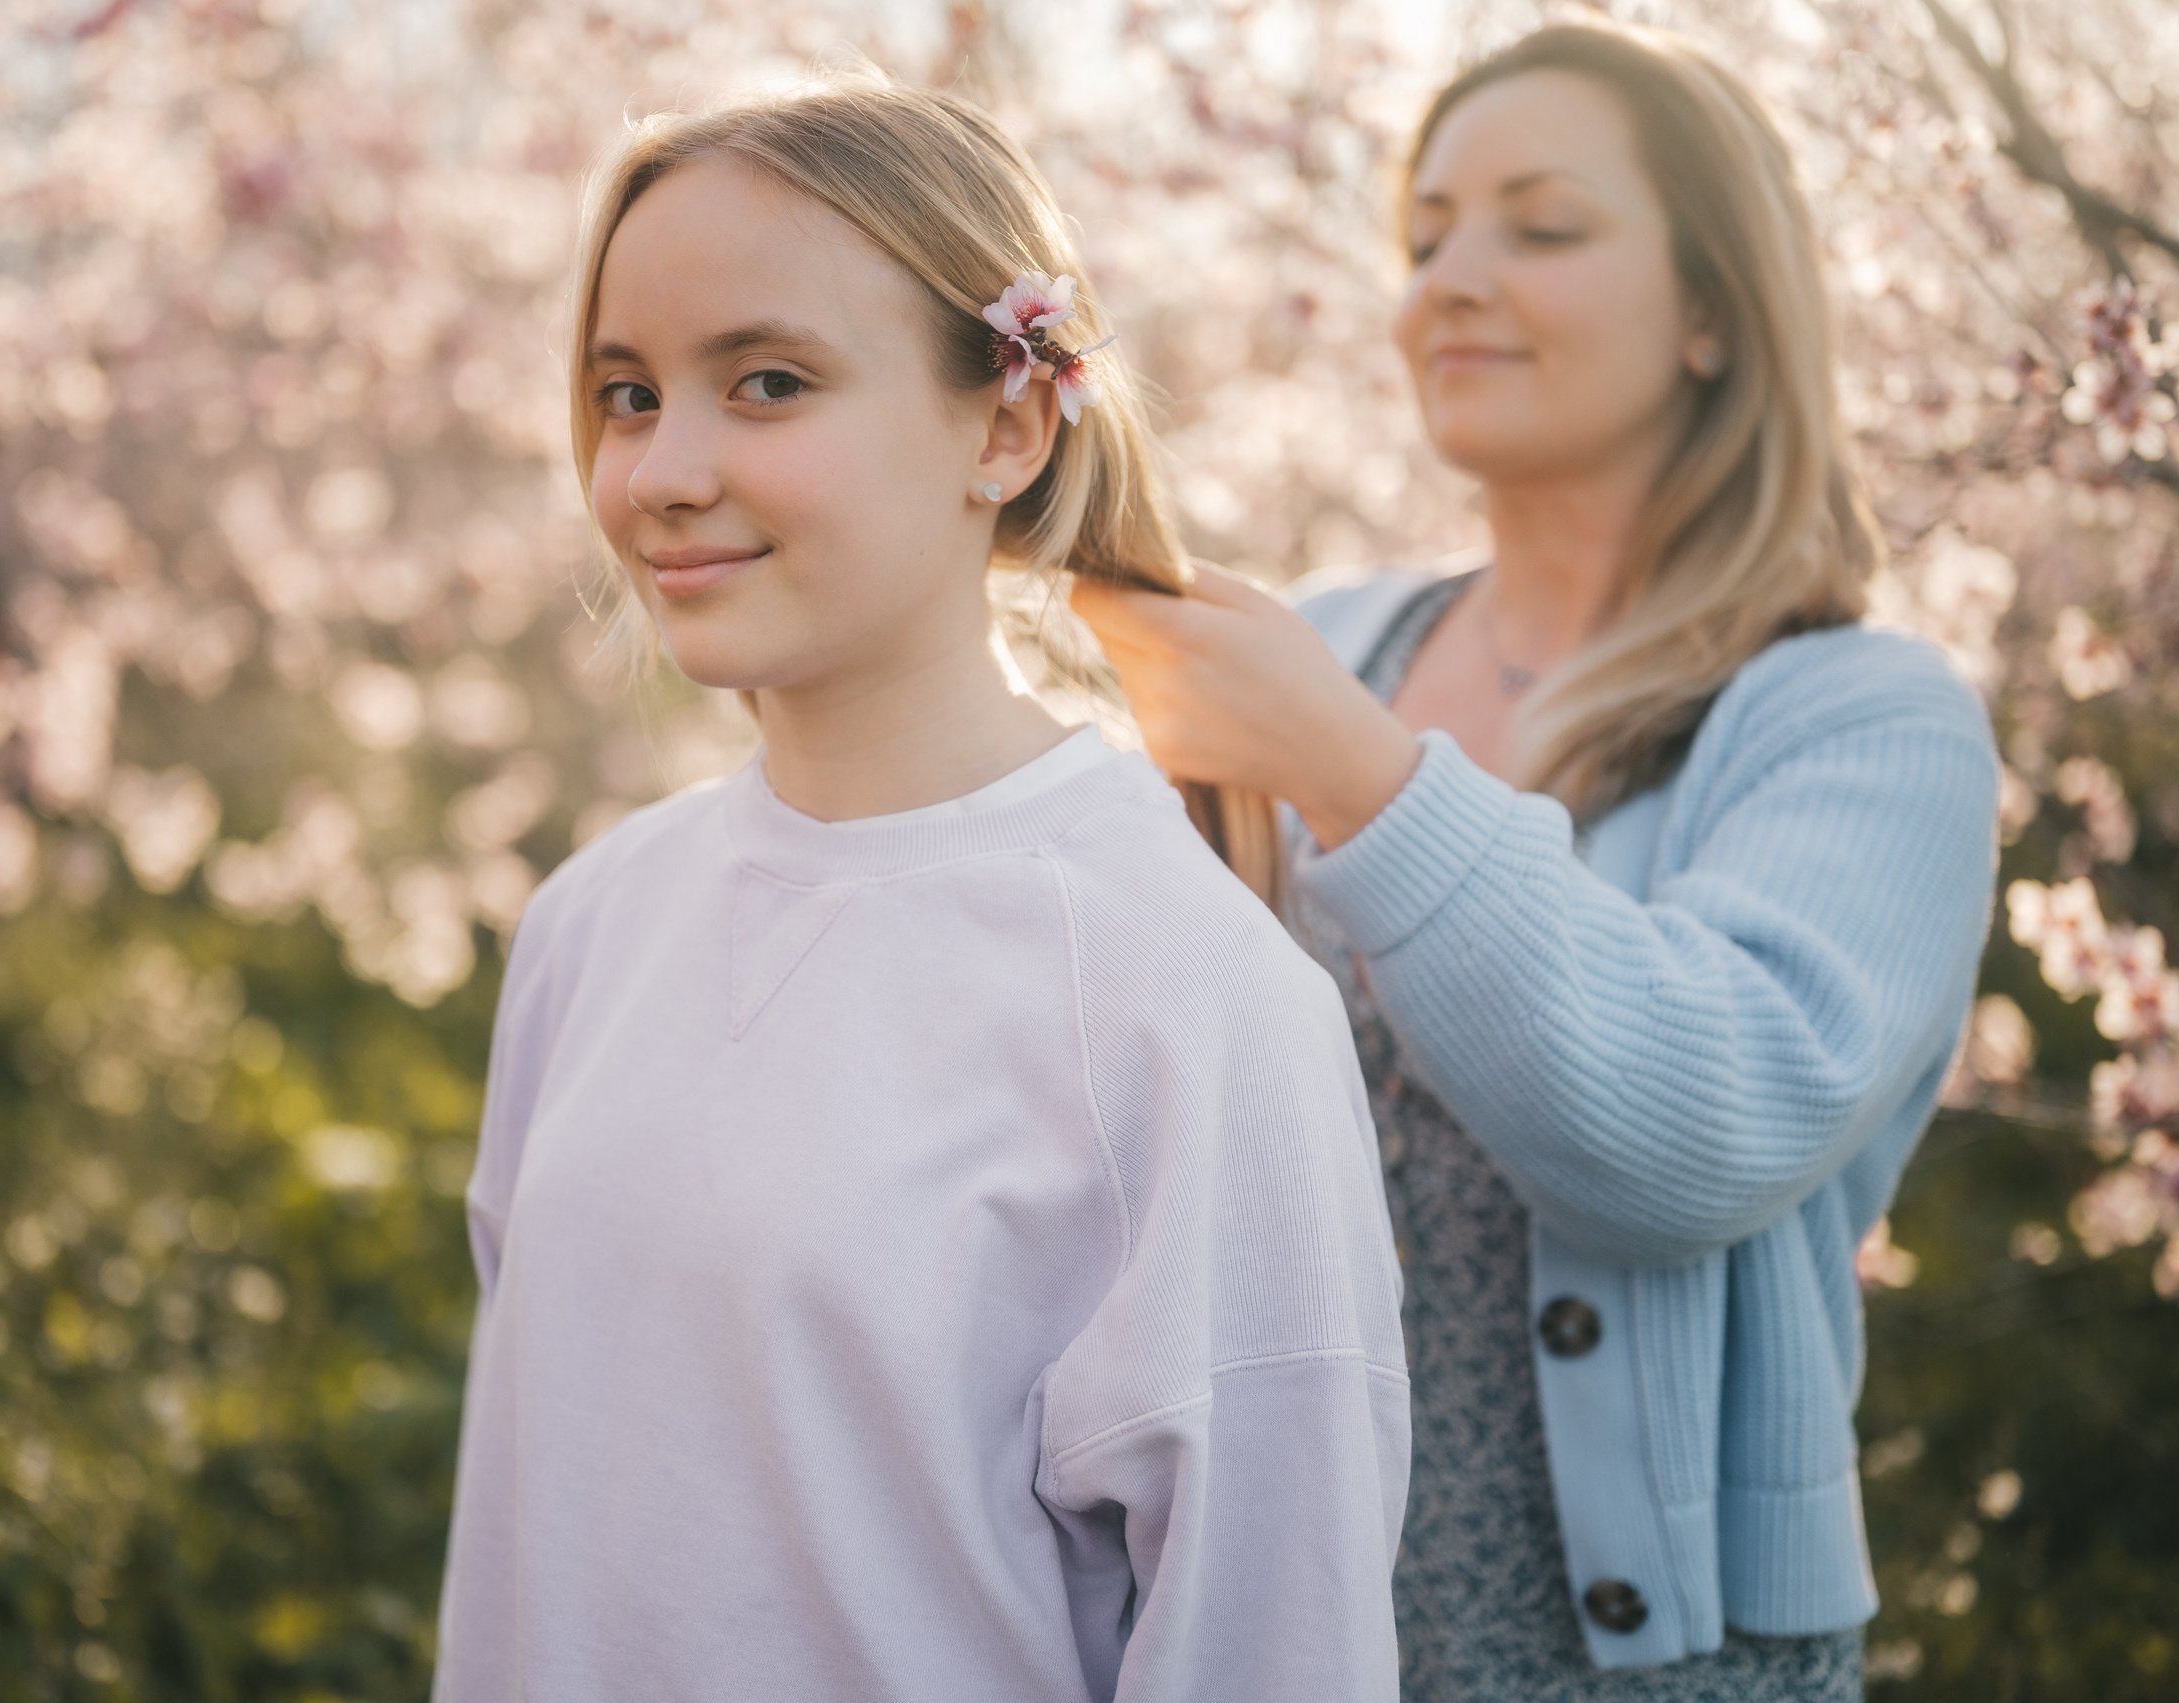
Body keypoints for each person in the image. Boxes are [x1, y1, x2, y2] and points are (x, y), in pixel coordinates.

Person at [429, 78, 1408, 1703]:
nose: (663, 471)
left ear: (1007, 424)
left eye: (767, 382)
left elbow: (1274, 1647)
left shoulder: (1188, 998)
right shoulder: (591, 927)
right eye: (625, 394)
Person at [1073, 22, 1999, 1702]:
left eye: (1541, 227)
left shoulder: (1861, 718)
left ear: (1718, 309)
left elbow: (1687, 1131)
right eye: (1426, 238)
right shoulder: (1330, 636)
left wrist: (1349, 771)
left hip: (1637, 1659)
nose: (1449, 283)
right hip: (1261, 1625)